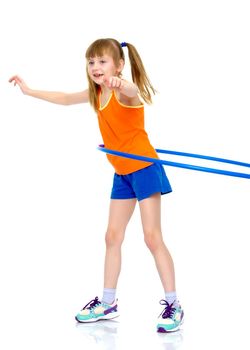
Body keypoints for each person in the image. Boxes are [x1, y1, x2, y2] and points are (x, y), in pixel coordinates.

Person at [9, 38, 184, 333]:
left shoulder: (124, 92)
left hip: (143, 168)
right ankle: (107, 303)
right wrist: (29, 91)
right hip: (122, 172)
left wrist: (121, 84)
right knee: (112, 236)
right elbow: (64, 98)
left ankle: (174, 304)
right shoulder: (97, 93)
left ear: (118, 65)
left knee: (152, 237)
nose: (95, 67)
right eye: (91, 62)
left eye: (102, 61)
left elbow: (132, 91)